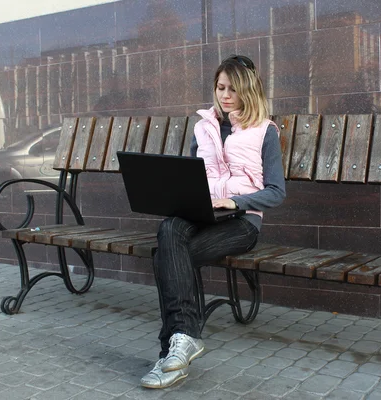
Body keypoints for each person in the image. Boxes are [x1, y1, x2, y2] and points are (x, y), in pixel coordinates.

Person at [140, 55, 286, 389]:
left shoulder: (265, 130)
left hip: (242, 221)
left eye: (233, 89)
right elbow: (194, 175)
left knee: (167, 255)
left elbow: (276, 192)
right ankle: (183, 341)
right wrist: (179, 196)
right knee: (169, 228)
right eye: (220, 87)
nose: (225, 95)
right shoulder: (202, 127)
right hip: (204, 214)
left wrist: (235, 201)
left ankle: (172, 347)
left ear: (247, 91)